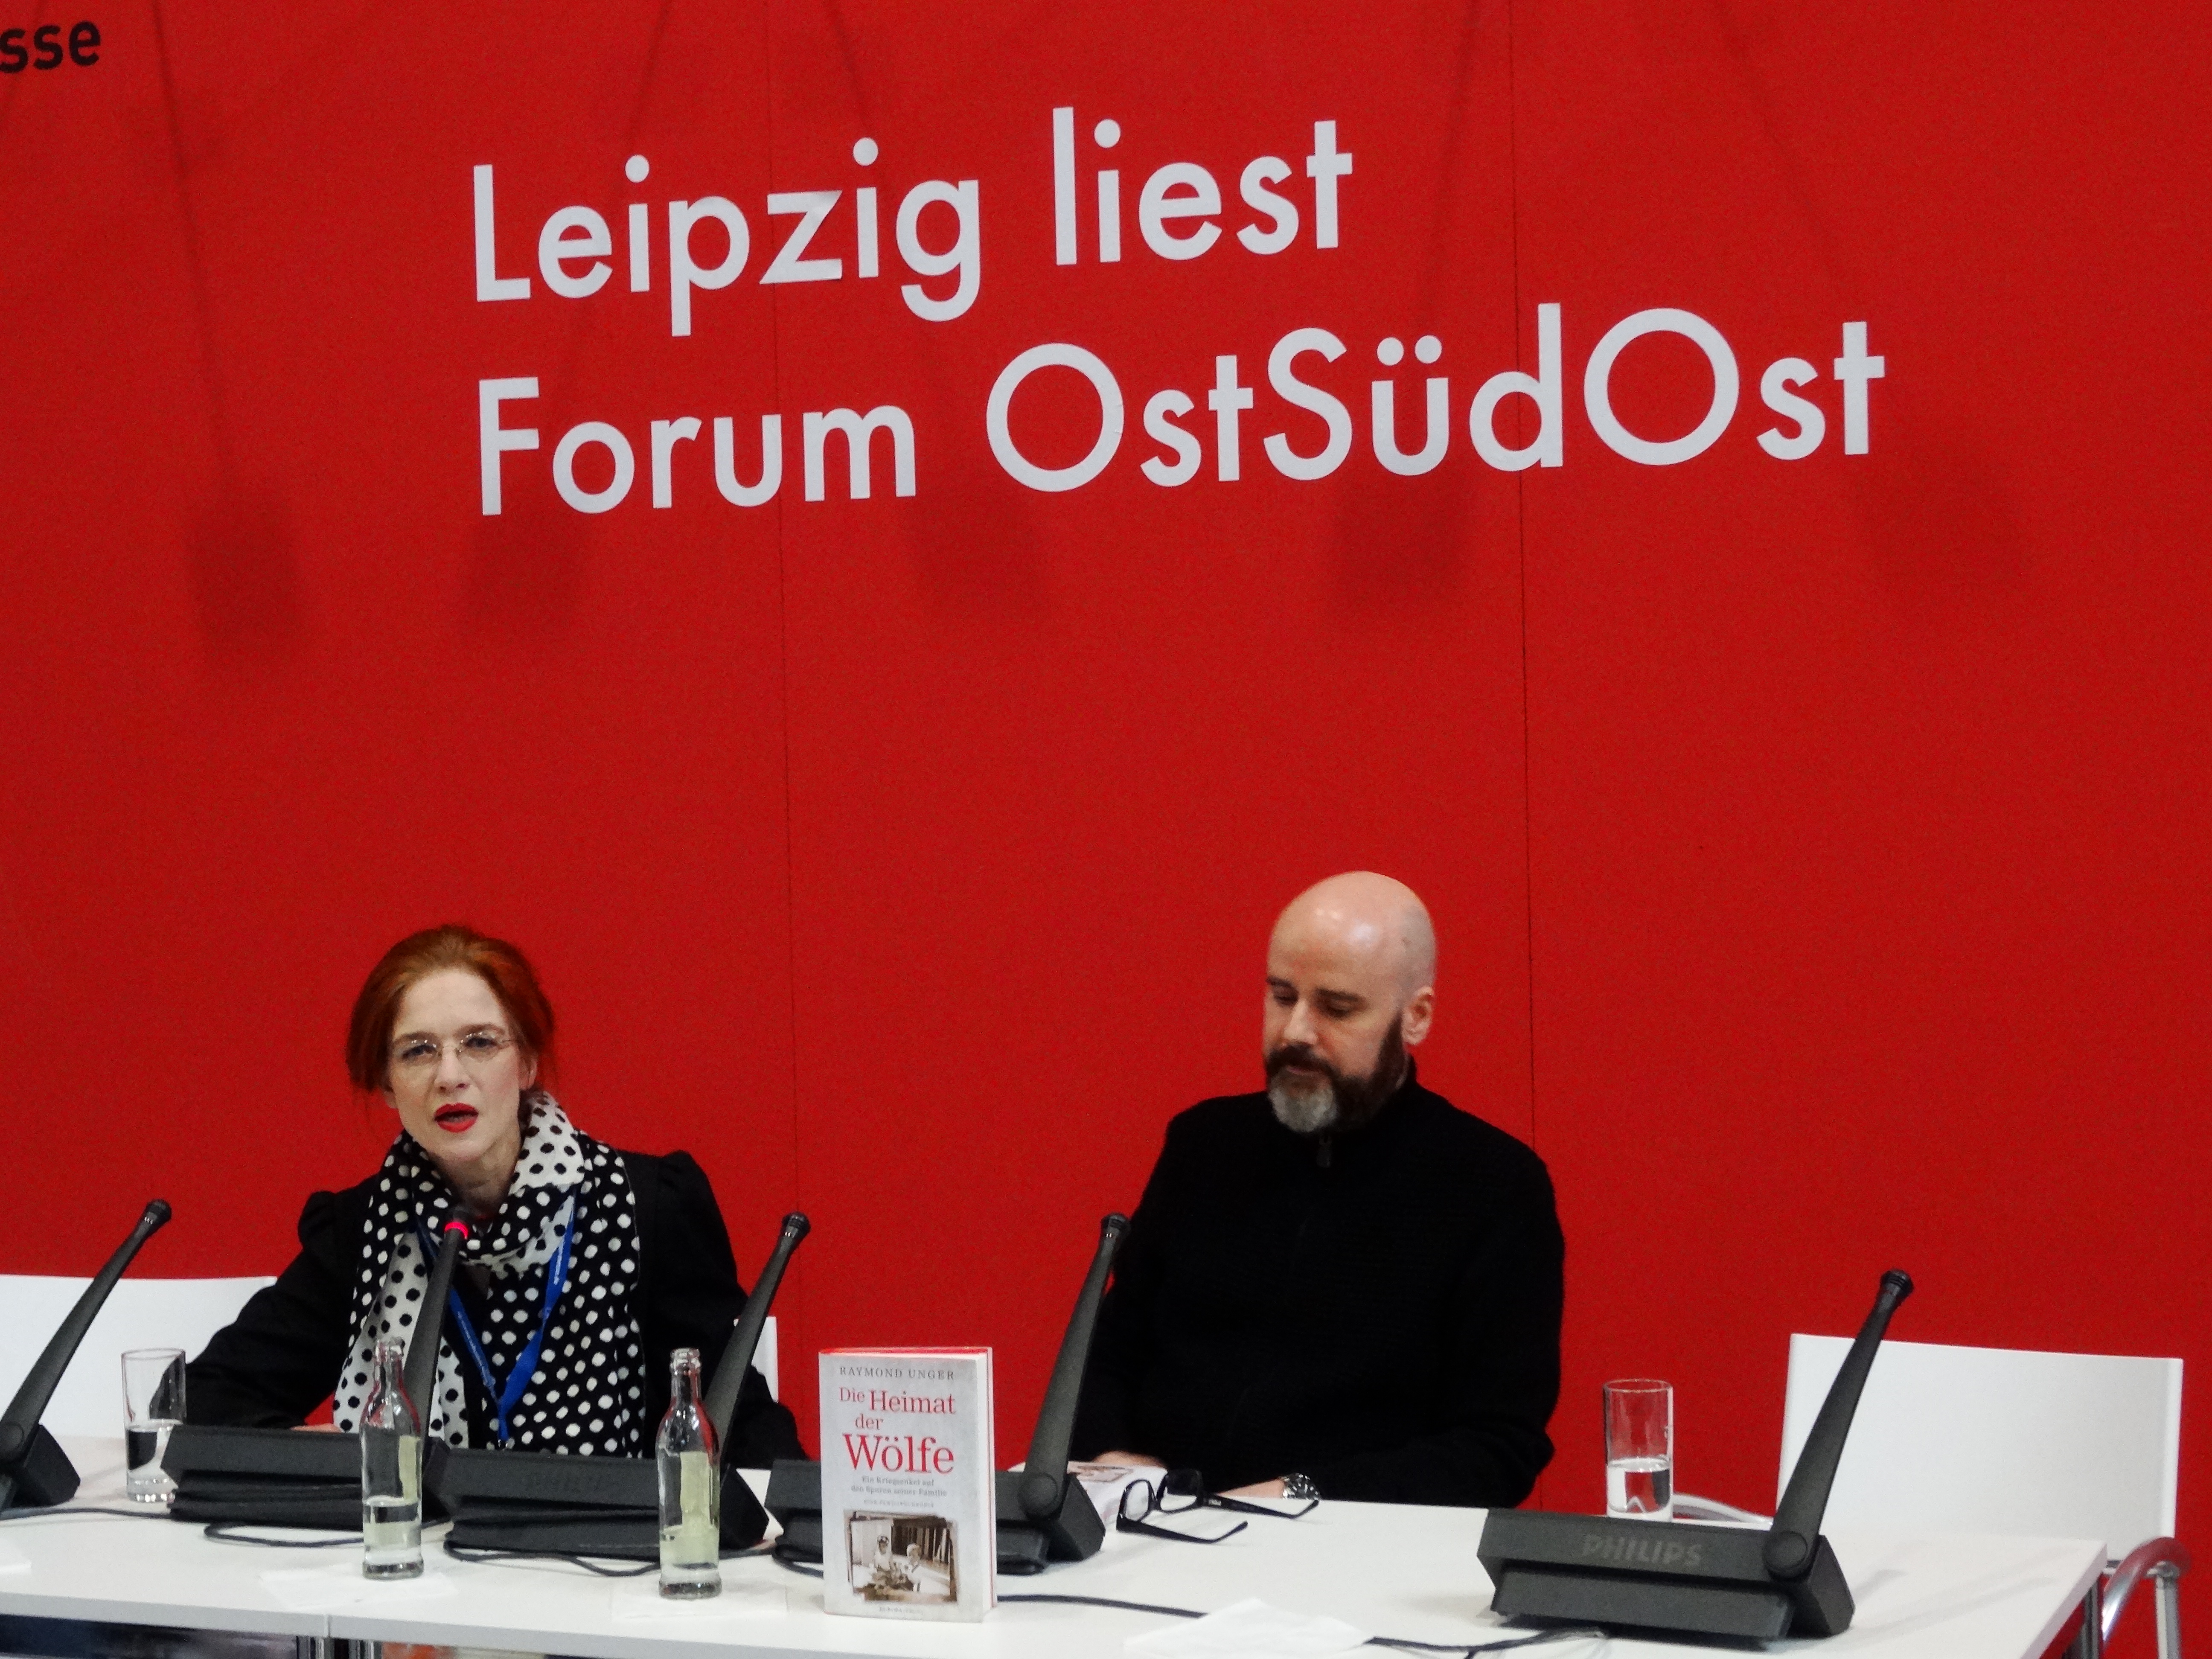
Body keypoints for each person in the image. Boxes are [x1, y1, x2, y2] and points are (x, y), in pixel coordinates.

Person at [186, 925, 803, 1465]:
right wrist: (332, 1454)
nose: (450, 1074)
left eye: (480, 1042)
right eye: (418, 1051)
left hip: (610, 1573)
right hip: (425, 1578)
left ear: (528, 1063)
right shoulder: (366, 1230)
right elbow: (211, 1399)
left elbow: (734, 1417)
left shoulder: (647, 1208)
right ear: (386, 1086)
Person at [1070, 872, 1564, 1507]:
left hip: (1356, 1562)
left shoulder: (1494, 1186)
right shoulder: (1205, 1144)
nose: (1296, 1031)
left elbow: (1496, 1447)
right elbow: (1108, 1354)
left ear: (1416, 1017)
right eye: (1281, 996)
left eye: (1336, 1008)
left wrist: (1301, 1495)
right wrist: (1115, 1462)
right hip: (1154, 1535)